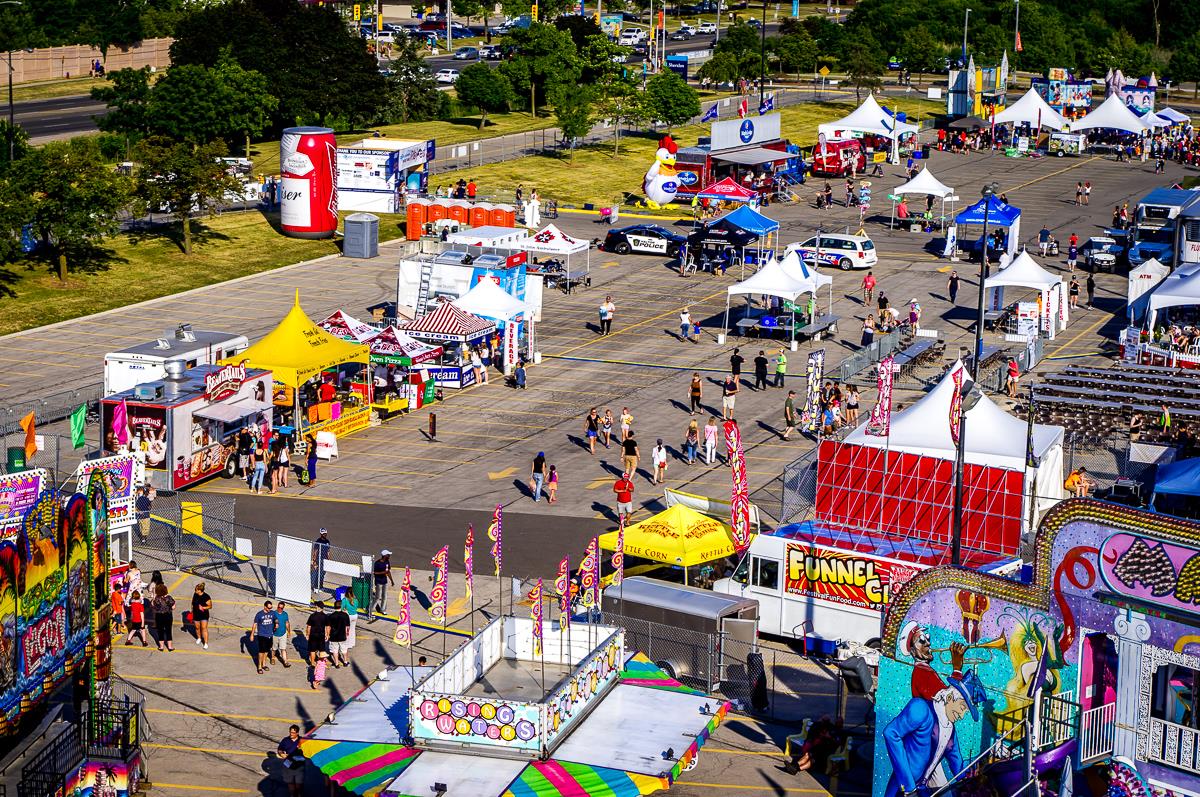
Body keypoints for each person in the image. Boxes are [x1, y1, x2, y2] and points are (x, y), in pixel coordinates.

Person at [277, 725, 306, 797]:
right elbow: (280, 749)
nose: (291, 734)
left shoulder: (302, 741)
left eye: (293, 733)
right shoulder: (285, 740)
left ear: (297, 733)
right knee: (290, 784)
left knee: (298, 785)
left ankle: (299, 794)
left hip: (299, 766)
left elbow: (307, 752)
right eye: (290, 732)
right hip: (288, 764)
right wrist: (281, 754)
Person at [251, 600, 277, 673]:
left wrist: (276, 623)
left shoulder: (272, 613)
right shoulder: (259, 614)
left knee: (266, 651)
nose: (269, 609)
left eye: (271, 608)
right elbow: (255, 624)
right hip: (262, 635)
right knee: (261, 651)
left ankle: (264, 664)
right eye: (268, 608)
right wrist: (252, 635)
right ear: (265, 607)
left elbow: (275, 619)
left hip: (270, 635)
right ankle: (259, 666)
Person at [151, 583, 176, 652]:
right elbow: (173, 607)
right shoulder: (169, 598)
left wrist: (154, 597)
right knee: (168, 630)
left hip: (159, 616)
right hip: (168, 615)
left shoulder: (156, 599)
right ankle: (170, 647)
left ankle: (161, 646)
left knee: (160, 630)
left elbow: (153, 605)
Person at [327, 600, 351, 668]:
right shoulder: (345, 615)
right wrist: (347, 633)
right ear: (341, 606)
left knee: (335, 651)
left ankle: (336, 664)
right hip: (342, 636)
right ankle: (345, 662)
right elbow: (348, 626)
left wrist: (328, 635)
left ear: (334, 607)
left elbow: (328, 627)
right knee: (344, 650)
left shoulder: (331, 616)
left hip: (333, 637)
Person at [372, 550, 394, 616]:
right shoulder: (377, 563)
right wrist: (383, 572)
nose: (389, 556)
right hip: (378, 582)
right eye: (388, 555)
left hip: (385, 582)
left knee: (385, 596)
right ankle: (371, 609)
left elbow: (388, 572)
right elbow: (374, 573)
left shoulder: (387, 562)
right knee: (377, 597)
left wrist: (392, 580)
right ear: (384, 556)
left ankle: (383, 610)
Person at [272, 601, 292, 668]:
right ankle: (273, 658)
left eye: (281, 608)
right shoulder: (273, 613)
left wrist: (289, 632)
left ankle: (285, 662)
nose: (279, 609)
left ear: (283, 608)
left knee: (283, 648)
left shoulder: (285, 614)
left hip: (283, 633)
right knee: (274, 648)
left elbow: (287, 623)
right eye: (278, 607)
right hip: (275, 634)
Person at [192, 582, 212, 649]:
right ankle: (199, 638)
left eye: (196, 589)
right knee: (197, 627)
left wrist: (203, 607)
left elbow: (210, 606)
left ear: (200, 590)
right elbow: (192, 603)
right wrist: (191, 611)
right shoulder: (195, 594)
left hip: (204, 615)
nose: (195, 590)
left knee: (204, 628)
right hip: (195, 614)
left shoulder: (206, 597)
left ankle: (206, 643)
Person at [312, 528, 330, 593]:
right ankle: (316, 587)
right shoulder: (318, 541)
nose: (324, 535)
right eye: (323, 534)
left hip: (325, 560)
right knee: (318, 574)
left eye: (325, 533)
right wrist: (314, 561)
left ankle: (321, 587)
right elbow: (315, 552)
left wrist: (329, 560)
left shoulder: (327, 542)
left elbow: (328, 551)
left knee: (322, 574)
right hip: (319, 560)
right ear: (321, 534)